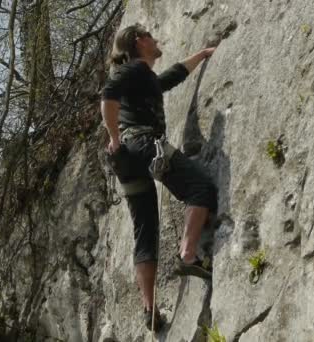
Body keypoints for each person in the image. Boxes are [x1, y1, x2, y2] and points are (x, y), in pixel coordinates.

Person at [100, 24, 218, 332]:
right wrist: (114, 136)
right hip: (141, 143)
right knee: (200, 187)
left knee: (145, 229)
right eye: (151, 35)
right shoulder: (134, 69)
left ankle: (149, 309)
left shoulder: (145, 78)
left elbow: (170, 77)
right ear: (140, 41)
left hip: (126, 161)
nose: (157, 39)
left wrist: (202, 55)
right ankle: (188, 255)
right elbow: (108, 96)